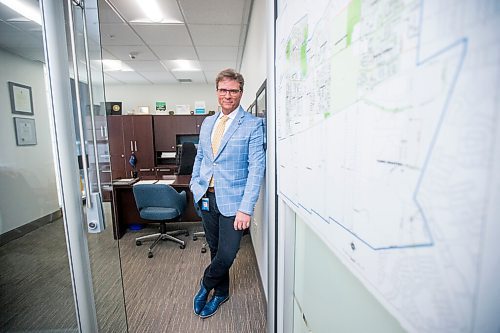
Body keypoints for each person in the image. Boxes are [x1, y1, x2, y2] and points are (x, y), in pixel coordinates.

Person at [190, 68, 266, 319]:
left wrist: (246, 208)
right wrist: (194, 185)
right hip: (206, 197)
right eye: (223, 90)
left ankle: (205, 285)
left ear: (241, 93)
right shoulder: (208, 122)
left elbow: (256, 169)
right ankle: (221, 293)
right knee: (213, 247)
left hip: (234, 202)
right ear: (217, 92)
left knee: (227, 253)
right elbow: (201, 157)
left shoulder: (253, 126)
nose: (228, 95)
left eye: (233, 91)